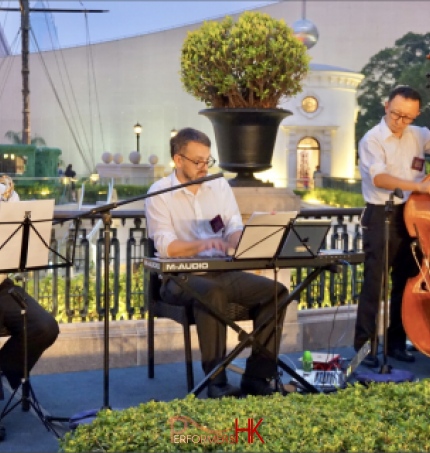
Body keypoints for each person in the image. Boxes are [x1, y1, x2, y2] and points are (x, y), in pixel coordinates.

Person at [145, 128, 290, 398]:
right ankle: (217, 381)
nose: (204, 167)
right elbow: (165, 246)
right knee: (213, 293)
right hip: (178, 277)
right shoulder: (159, 192)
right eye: (197, 161)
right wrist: (202, 245)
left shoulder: (219, 185)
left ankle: (257, 376)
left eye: (208, 161)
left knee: (276, 292)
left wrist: (252, 234)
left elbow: (232, 229)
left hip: (221, 271)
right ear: (178, 160)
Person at [354, 85, 430, 368]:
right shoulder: (372, 139)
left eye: (408, 117)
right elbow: (380, 179)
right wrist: (419, 186)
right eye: (396, 114)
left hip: (415, 216)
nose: (400, 121)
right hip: (381, 215)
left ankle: (397, 343)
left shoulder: (420, 134)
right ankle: (365, 349)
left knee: (407, 283)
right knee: (375, 285)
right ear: (386, 106)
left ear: (417, 114)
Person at [0, 175, 59, 396]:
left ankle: (5, 370)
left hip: (1, 286)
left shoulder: (4, 192)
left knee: (45, 327)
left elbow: (19, 234)